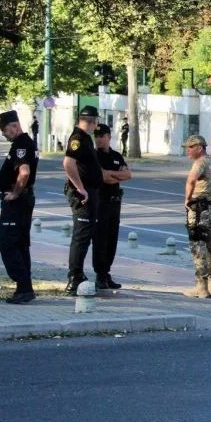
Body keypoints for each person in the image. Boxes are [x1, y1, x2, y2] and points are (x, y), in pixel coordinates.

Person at [0, 110, 38, 304]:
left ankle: (23, 285)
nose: (4, 134)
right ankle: (24, 287)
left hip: (16, 203)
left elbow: (24, 172)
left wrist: (15, 193)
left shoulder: (21, 144)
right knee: (20, 244)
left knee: (9, 244)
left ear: (14, 126)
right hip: (22, 202)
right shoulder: (25, 143)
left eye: (5, 130)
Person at [62, 106, 103, 296]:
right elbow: (68, 164)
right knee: (81, 235)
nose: (97, 124)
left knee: (85, 236)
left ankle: (78, 274)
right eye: (96, 121)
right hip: (83, 194)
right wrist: (80, 188)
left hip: (90, 191)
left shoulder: (85, 137)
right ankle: (74, 277)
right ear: (92, 120)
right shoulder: (78, 138)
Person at [183, 134, 211, 298]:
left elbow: (191, 180)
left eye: (190, 148)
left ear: (199, 147)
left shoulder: (200, 163)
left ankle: (201, 287)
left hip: (199, 209)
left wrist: (188, 198)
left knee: (198, 246)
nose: (188, 152)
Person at [93, 123, 131, 290]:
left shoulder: (116, 155)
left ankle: (106, 272)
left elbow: (128, 174)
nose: (99, 139)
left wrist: (112, 175)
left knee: (112, 239)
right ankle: (100, 275)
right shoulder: (94, 156)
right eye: (97, 136)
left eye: (102, 136)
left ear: (109, 137)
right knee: (100, 240)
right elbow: (104, 178)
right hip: (101, 201)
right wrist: (116, 176)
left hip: (115, 201)